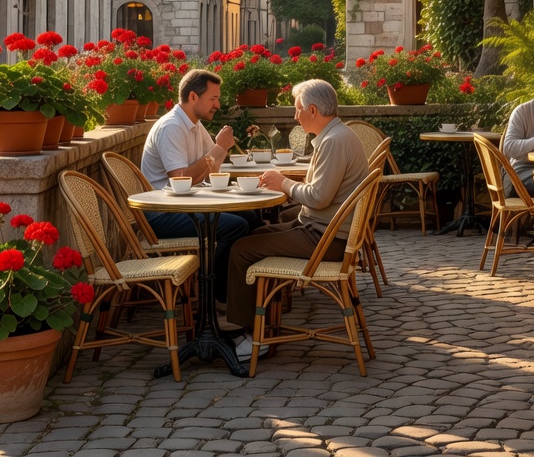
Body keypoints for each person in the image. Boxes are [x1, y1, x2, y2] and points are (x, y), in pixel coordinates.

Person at [225, 79, 369, 360]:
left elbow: (318, 198)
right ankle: (261, 325)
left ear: (312, 110)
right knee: (252, 236)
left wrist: (283, 184)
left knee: (241, 249)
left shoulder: (333, 141)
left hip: (326, 239)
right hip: (325, 230)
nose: (295, 115)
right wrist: (285, 183)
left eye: (297, 109)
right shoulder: (335, 135)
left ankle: (255, 336)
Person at [140, 69, 250, 303]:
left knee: (250, 217)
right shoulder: (171, 127)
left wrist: (222, 148)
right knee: (236, 227)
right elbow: (180, 179)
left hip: (183, 205)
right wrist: (220, 148)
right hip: (161, 213)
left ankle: (240, 294)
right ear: (192, 97)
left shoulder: (195, 124)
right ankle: (215, 297)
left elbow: (211, 167)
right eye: (213, 98)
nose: (218, 105)